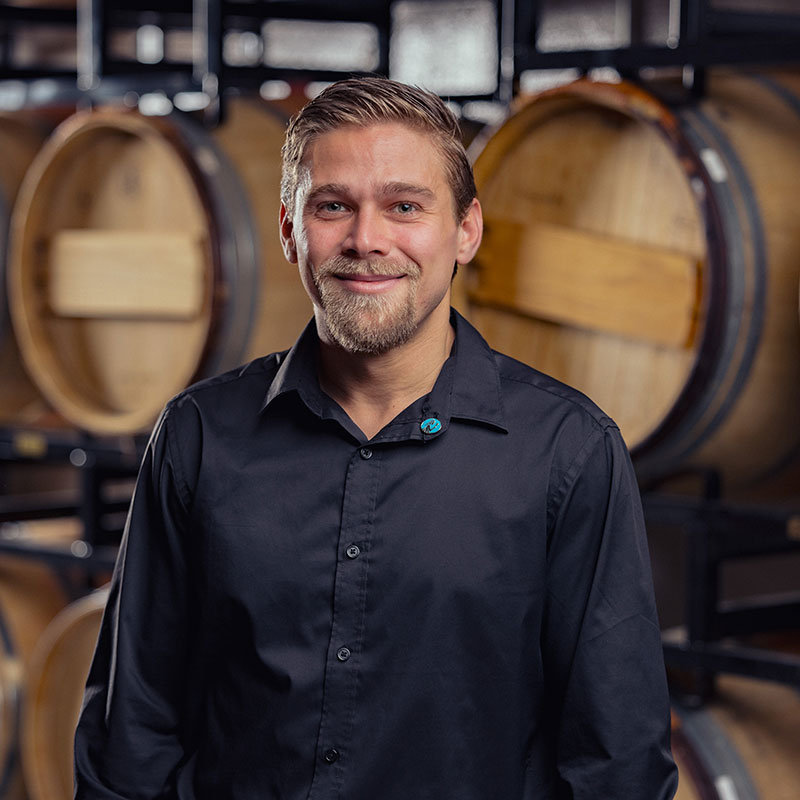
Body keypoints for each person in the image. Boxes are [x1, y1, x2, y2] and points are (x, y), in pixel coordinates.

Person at [74, 76, 678, 799]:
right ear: (290, 229)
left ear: (466, 230)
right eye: (333, 206)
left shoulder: (568, 451)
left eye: (405, 206)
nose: (367, 240)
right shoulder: (199, 436)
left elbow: (618, 764)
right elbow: (131, 732)